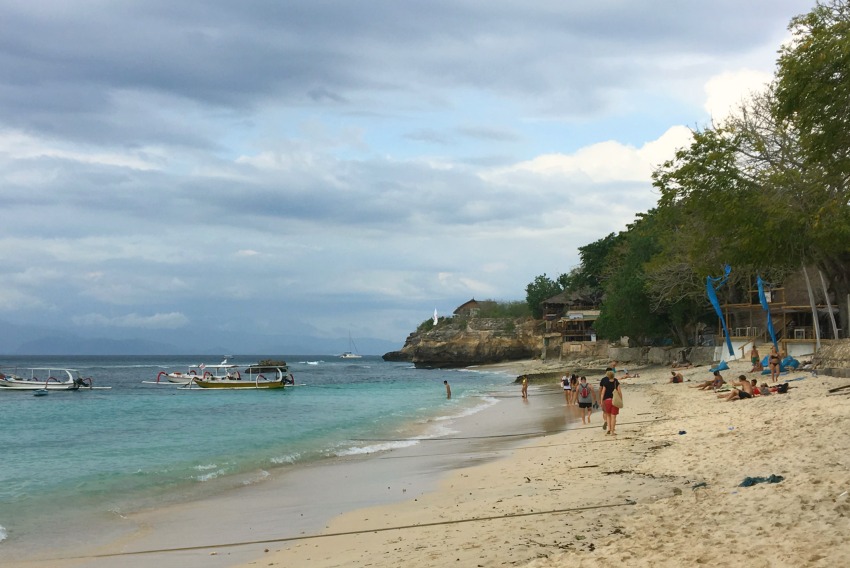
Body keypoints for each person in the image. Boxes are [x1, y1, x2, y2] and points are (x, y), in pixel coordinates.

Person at [599, 370, 621, 435]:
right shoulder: (616, 382)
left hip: (607, 401)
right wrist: (621, 400)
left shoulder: (605, 383)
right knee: (613, 416)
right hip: (614, 400)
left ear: (608, 376)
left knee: (608, 415)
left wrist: (601, 401)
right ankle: (612, 431)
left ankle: (608, 429)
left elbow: (602, 393)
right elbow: (619, 392)